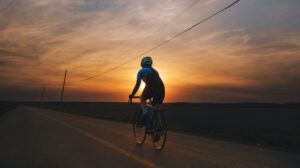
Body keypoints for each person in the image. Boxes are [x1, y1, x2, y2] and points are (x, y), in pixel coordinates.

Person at [129, 56, 165, 124]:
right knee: (156, 110)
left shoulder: (141, 71)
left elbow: (137, 85)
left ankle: (145, 113)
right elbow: (157, 81)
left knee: (142, 98)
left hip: (151, 86)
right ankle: (159, 127)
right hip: (161, 88)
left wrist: (132, 95)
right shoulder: (155, 71)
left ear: (142, 64)